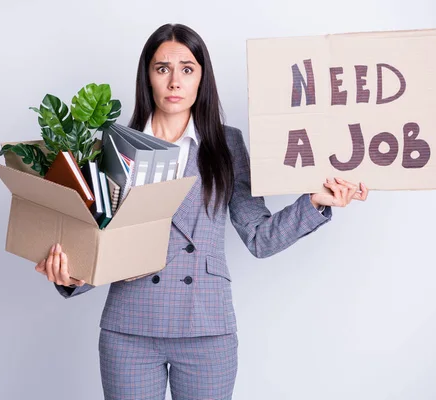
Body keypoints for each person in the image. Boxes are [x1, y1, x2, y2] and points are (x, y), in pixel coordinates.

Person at [35, 23, 368, 400]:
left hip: (206, 328)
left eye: (187, 69)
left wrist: (315, 202)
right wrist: (70, 275)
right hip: (130, 327)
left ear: (201, 78)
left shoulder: (227, 144)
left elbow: (259, 238)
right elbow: (101, 241)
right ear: (147, 77)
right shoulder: (113, 145)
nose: (175, 81)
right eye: (162, 69)